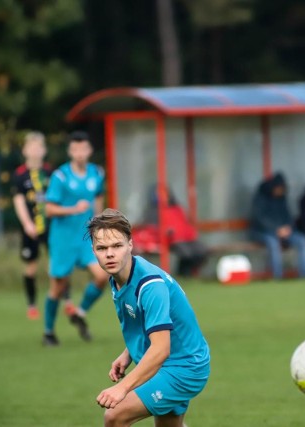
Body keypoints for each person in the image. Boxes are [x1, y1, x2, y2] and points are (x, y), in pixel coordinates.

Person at [87, 208, 210, 427]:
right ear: (93, 251)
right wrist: (128, 353)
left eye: (117, 246)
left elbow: (161, 349)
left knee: (115, 416)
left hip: (183, 367)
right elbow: (147, 320)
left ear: (130, 245)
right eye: (102, 248)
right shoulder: (119, 276)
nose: (109, 254)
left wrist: (122, 389)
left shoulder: (150, 285)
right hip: (168, 363)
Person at [43, 130, 108, 345]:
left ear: (90, 151)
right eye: (75, 149)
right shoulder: (60, 176)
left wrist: (100, 225)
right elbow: (49, 210)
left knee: (102, 276)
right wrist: (73, 209)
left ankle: (79, 313)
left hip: (85, 239)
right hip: (62, 240)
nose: (80, 153)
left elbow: (97, 199)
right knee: (58, 286)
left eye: (84, 149)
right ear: (70, 151)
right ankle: (49, 332)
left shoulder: (97, 173)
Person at [11, 132, 74, 320]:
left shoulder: (51, 173)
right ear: (25, 150)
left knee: (58, 264)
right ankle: (32, 305)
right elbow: (19, 201)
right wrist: (27, 224)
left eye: (39, 147)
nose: (36, 151)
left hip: (52, 227)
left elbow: (59, 198)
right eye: (32, 147)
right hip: (31, 228)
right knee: (31, 266)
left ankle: (67, 301)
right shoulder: (20, 174)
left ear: (44, 150)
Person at [249, 172, 305, 279]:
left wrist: (288, 228)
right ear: (273, 187)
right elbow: (259, 218)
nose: (280, 191)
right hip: (263, 232)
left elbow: (288, 217)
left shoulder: (282, 199)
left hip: (284, 232)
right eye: (278, 188)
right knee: (274, 243)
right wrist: (276, 230)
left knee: (302, 240)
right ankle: (278, 277)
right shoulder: (260, 198)